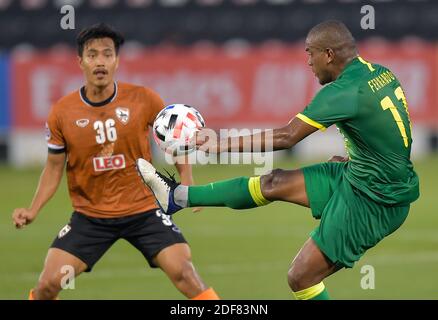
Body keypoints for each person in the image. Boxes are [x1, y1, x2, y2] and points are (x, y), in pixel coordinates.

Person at [136, 20, 420, 300]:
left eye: (311, 52)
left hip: (376, 199)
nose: (308, 61)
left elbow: (287, 137)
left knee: (300, 276)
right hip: (360, 174)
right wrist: (356, 156)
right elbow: (392, 130)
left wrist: (218, 144)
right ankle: (177, 197)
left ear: (329, 55)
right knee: (274, 181)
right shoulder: (380, 73)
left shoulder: (342, 92)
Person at [12, 23, 219, 300]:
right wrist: (33, 209)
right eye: (93, 54)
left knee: (185, 273)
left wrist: (187, 183)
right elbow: (53, 168)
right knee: (48, 285)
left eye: (107, 54)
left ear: (117, 60)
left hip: (145, 211)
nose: (100, 61)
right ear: (80, 61)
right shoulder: (62, 112)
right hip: (90, 218)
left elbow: (175, 138)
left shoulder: (144, 99)